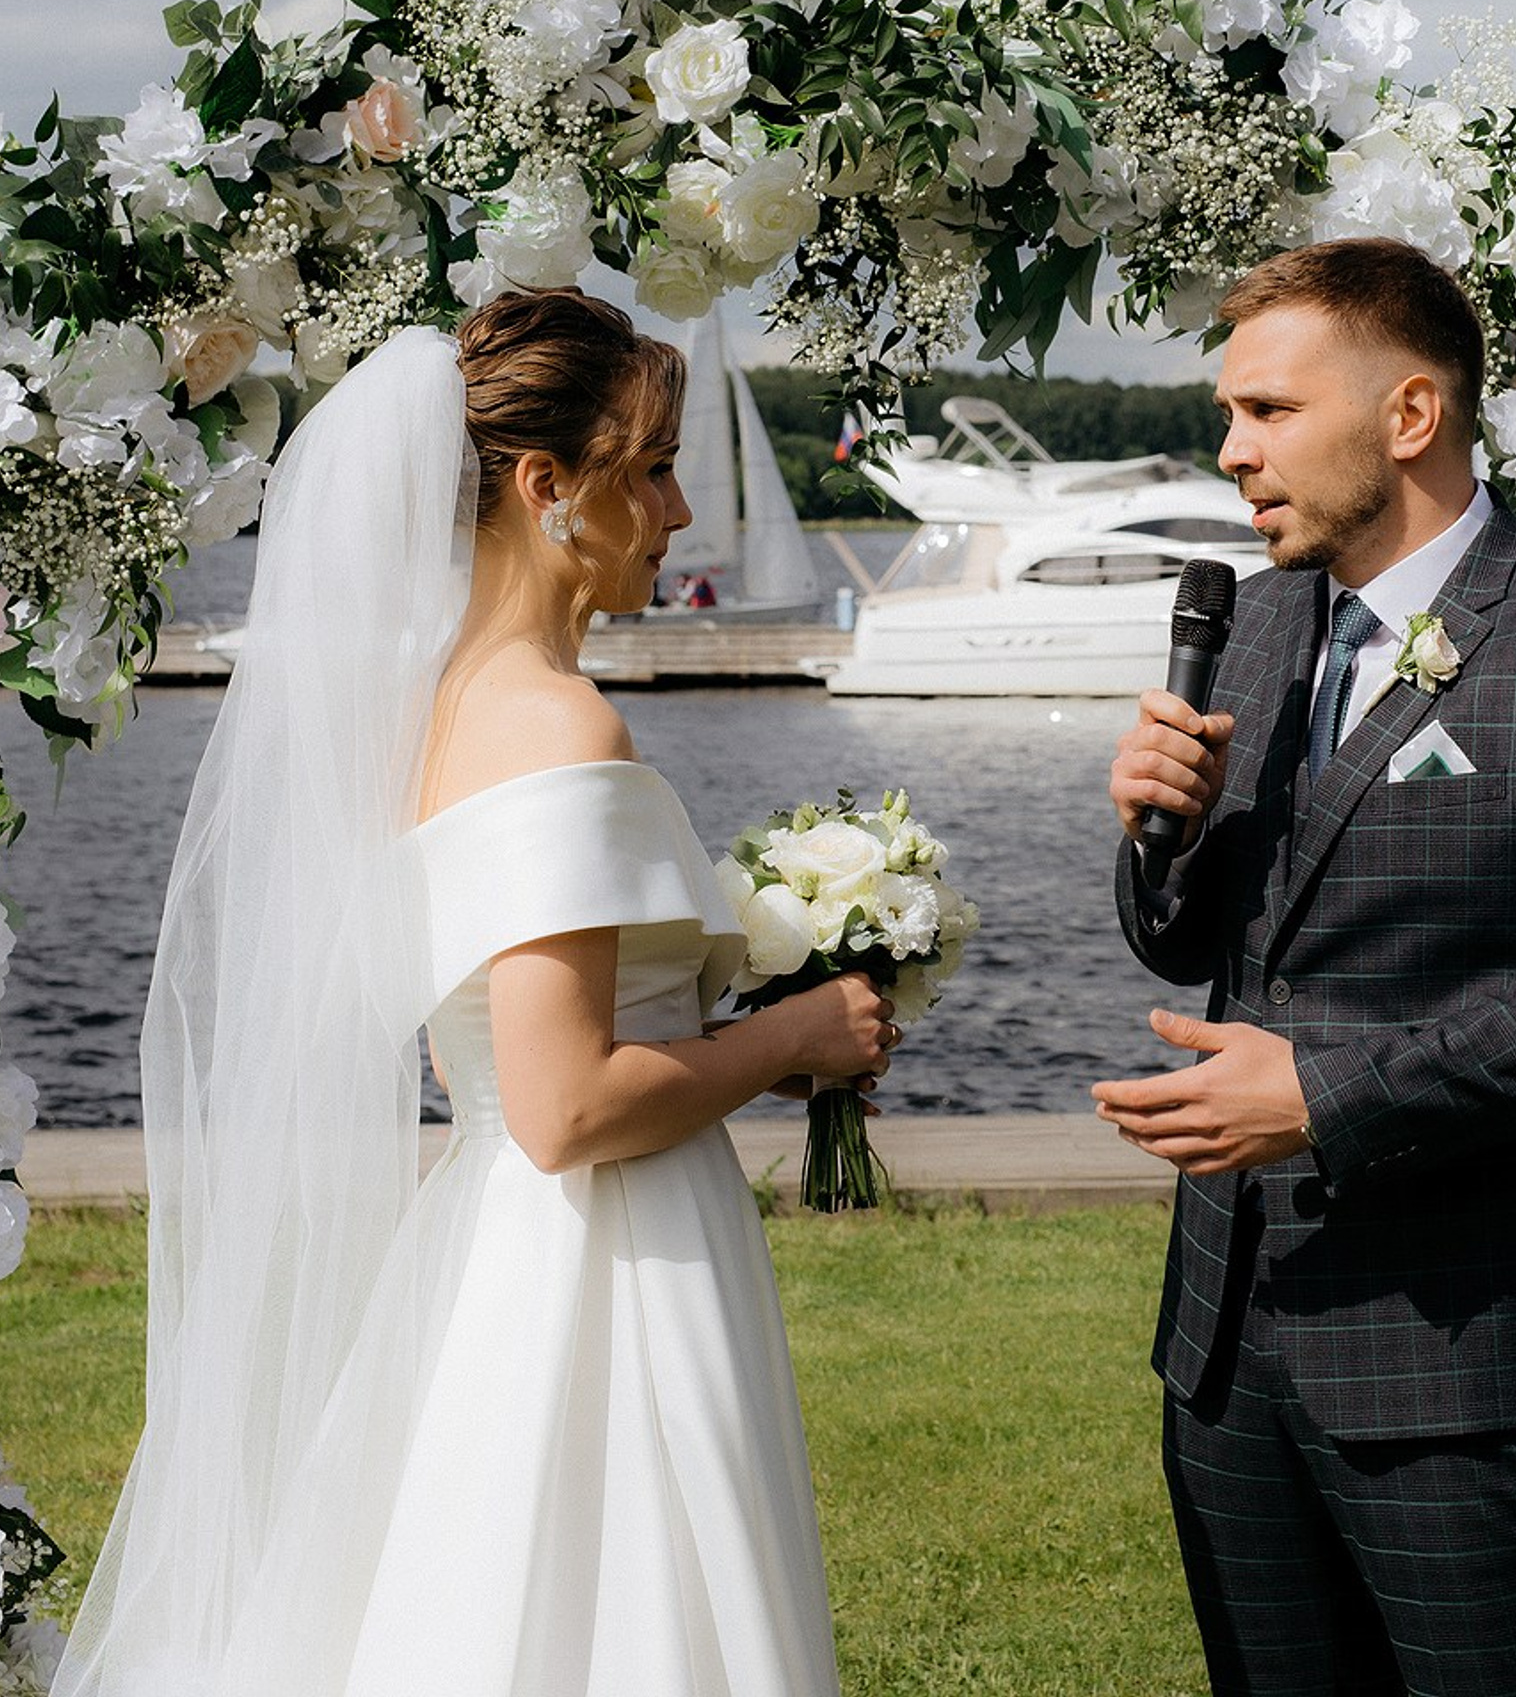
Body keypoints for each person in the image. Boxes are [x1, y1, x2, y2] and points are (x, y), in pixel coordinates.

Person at [59, 292, 895, 1697]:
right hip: (607, 1259)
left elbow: (480, 1070)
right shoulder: (559, 725)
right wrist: (797, 1034)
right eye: (653, 470)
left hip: (495, 1240)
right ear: (546, 483)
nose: (680, 511)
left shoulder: (434, 710)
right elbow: (565, 1110)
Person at [1094, 239, 1516, 1697]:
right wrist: (1153, 833)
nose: (1233, 451)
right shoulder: (1256, 625)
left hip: (1468, 1358)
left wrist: (1326, 1097)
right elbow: (1198, 937)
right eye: (1230, 414)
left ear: (1411, 415)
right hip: (1228, 1343)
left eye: (1269, 411)